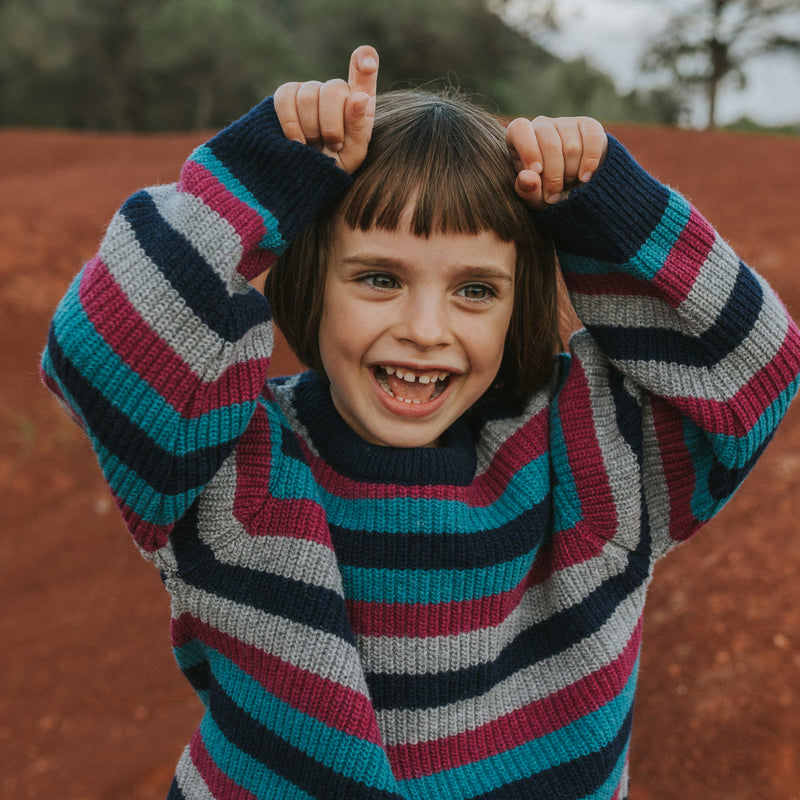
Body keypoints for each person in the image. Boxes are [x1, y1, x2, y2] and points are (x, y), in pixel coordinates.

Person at [41, 44, 800, 800]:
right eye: (379, 278)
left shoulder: (586, 464)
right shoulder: (234, 467)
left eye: (476, 290)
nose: (426, 328)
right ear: (312, 279)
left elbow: (758, 371)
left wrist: (609, 202)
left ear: (519, 305)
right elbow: (97, 342)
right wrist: (262, 170)